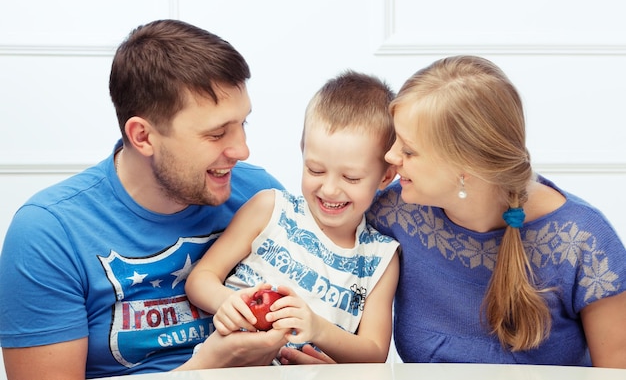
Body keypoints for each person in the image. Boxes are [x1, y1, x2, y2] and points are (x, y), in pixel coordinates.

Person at [0, 19, 290, 379]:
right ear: (143, 136)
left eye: (242, 124)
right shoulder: (49, 234)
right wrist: (205, 368)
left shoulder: (260, 199)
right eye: (216, 134)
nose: (242, 150)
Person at [362, 55, 626, 367]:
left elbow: (615, 371)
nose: (390, 155)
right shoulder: (392, 213)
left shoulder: (583, 241)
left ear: (467, 167)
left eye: (408, 149)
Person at [185, 71, 400, 364]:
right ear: (303, 152)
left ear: (386, 175)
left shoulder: (380, 258)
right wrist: (228, 303)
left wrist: (318, 328)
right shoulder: (269, 208)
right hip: (228, 366)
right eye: (315, 170)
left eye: (351, 177)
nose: (330, 189)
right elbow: (201, 278)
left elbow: (374, 353)